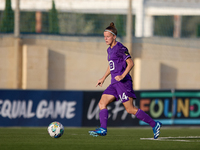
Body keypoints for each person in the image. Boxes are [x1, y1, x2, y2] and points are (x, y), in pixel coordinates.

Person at [88, 22, 162, 139]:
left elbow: (130, 63)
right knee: (102, 103)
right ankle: (103, 128)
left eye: (107, 36)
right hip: (114, 83)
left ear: (114, 36)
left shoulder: (120, 48)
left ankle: (155, 124)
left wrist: (122, 76)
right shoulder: (109, 50)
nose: (105, 38)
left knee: (130, 109)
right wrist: (103, 78)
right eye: (104, 36)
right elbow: (111, 65)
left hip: (123, 82)